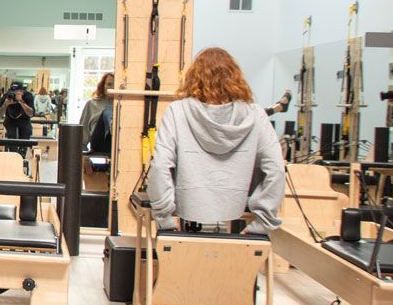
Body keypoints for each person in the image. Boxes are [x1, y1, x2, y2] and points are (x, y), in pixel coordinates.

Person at [146, 47, 286, 232]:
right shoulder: (256, 114)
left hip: (187, 209)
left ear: (193, 78)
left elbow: (160, 165)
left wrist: (164, 218)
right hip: (235, 208)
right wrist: (263, 223)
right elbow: (276, 169)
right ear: (235, 79)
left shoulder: (177, 111)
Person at [80, 72, 114, 153]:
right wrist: (83, 158)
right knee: (107, 112)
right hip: (99, 142)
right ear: (103, 87)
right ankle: (111, 126)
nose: (112, 87)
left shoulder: (124, 105)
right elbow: (83, 132)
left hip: (117, 142)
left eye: (115, 85)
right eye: (109, 84)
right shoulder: (91, 104)